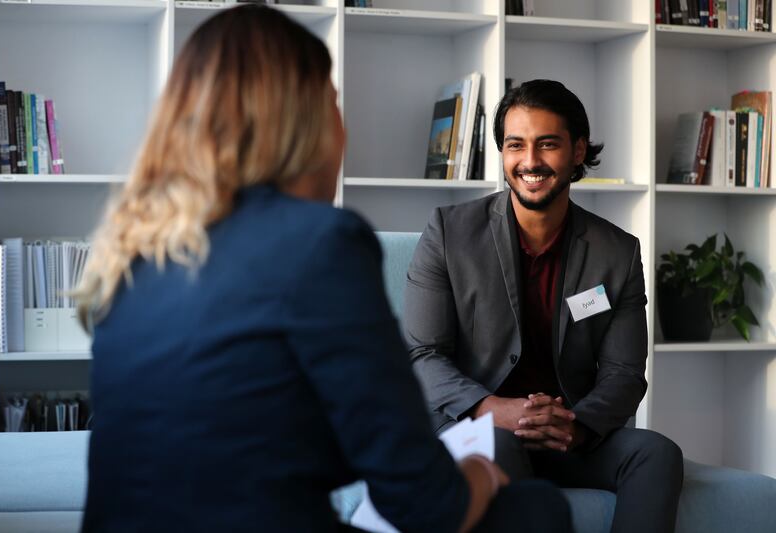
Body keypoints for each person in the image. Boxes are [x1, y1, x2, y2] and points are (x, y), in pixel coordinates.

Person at [75, 6, 572, 533]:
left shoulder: (132, 255)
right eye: (334, 105)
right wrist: (483, 469)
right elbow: (427, 505)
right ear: (303, 124)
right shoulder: (320, 244)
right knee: (538, 508)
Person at [405, 79, 684, 533]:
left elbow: (625, 373)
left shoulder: (618, 252)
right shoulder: (448, 232)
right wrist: (494, 409)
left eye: (547, 144)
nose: (530, 161)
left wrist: (574, 425)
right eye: (516, 145)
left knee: (656, 453)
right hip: (477, 431)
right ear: (503, 152)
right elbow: (423, 355)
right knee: (502, 447)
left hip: (568, 435)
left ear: (577, 152)